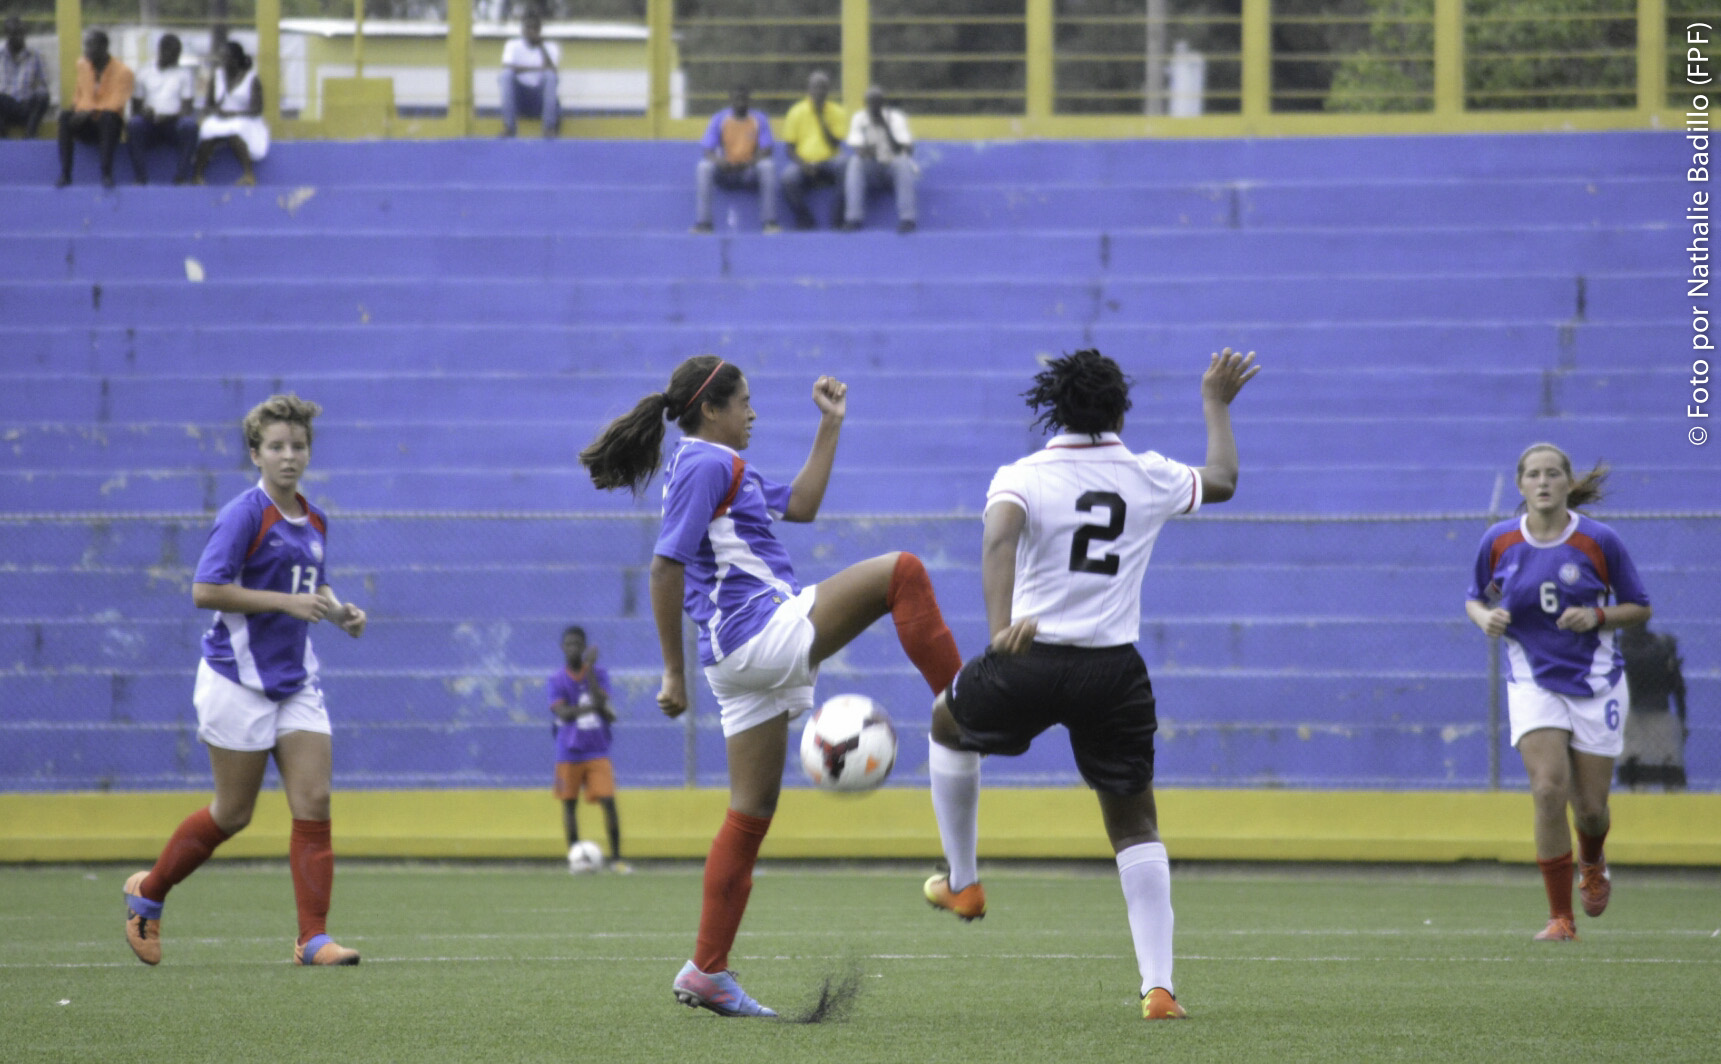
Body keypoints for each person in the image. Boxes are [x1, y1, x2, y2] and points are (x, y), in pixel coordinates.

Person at [579, 356, 964, 1018]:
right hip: (756, 630)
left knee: (750, 812)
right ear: (711, 410)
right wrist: (670, 671)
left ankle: (707, 969)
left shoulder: (722, 465)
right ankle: (966, 701)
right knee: (901, 573)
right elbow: (665, 568)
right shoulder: (707, 464)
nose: (753, 413)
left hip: (737, 656)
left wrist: (830, 424)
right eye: (744, 402)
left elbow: (803, 506)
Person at [923, 348, 1259, 1023]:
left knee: (945, 723)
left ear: (1054, 409)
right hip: (1112, 670)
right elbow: (1222, 479)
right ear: (1119, 411)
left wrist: (999, 630)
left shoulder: (1021, 475)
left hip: (1030, 656)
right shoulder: (1147, 473)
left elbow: (998, 539)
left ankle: (962, 881)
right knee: (1134, 824)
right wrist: (1215, 403)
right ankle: (1158, 988)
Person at [122, 394, 368, 967]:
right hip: (235, 679)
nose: (289, 456)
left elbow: (313, 585)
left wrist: (339, 612)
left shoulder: (315, 519)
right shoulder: (244, 514)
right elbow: (205, 590)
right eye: (276, 446)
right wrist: (286, 603)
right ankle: (148, 894)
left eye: (298, 446)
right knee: (233, 813)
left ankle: (313, 939)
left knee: (314, 800)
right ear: (255, 454)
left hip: (295, 680)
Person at [1465, 443, 1652, 942]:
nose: (1543, 482)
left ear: (1569, 483)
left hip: (1595, 682)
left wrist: (1596, 615)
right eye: (1533, 474)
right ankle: (1560, 918)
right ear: (1521, 484)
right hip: (1533, 679)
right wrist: (1486, 618)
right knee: (1548, 788)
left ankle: (1592, 859)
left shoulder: (1599, 540)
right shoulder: (1499, 540)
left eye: (1553, 474)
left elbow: (1639, 606)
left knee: (1589, 808)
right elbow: (1475, 598)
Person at [549, 625, 630, 873]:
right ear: (562, 648)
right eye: (569, 644)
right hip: (569, 750)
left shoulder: (599, 673)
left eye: (577, 644)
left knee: (608, 802)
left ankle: (616, 860)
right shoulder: (557, 679)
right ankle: (575, 858)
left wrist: (591, 669)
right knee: (569, 805)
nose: (573, 649)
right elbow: (563, 712)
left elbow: (601, 698)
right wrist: (595, 708)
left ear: (584, 647)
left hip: (597, 749)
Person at [693, 86, 779, 234]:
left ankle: (769, 222)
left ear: (749, 100)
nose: (741, 102)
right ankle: (704, 223)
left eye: (744, 98)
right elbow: (707, 150)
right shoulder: (719, 119)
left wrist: (749, 163)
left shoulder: (759, 119)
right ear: (731, 100)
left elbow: (767, 150)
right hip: (726, 172)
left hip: (749, 172)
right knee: (703, 167)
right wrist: (720, 162)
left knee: (767, 166)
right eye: (737, 99)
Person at [55, 29, 133, 188]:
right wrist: (77, 112)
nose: (88, 49)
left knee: (108, 118)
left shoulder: (124, 72)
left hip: (108, 125)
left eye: (92, 45)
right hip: (87, 122)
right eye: (87, 45)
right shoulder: (82, 65)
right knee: (65, 117)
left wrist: (89, 112)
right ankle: (65, 174)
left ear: (104, 47)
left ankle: (106, 174)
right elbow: (78, 96)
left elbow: (116, 104)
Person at [191, 40, 267, 186]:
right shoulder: (217, 76)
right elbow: (208, 106)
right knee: (207, 130)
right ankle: (197, 175)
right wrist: (218, 112)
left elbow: (257, 109)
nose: (222, 61)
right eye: (221, 57)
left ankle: (249, 174)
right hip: (222, 118)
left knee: (235, 130)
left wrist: (235, 114)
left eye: (225, 57)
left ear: (235, 60)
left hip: (246, 119)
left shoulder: (252, 79)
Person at [842, 85, 917, 233]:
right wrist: (871, 149)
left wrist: (886, 128)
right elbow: (859, 150)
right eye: (871, 102)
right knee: (855, 162)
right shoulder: (859, 118)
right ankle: (853, 218)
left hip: (892, 169)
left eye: (877, 102)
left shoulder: (896, 118)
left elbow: (907, 149)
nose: (874, 106)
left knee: (902, 162)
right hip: (872, 170)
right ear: (865, 104)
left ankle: (907, 219)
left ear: (883, 103)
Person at [778, 71, 848, 230]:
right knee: (788, 178)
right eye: (815, 88)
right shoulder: (796, 111)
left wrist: (821, 117)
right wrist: (804, 165)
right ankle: (805, 219)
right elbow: (789, 148)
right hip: (805, 163)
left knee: (846, 165)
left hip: (830, 161)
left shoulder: (837, 111)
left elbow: (835, 143)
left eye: (823, 88)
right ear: (808, 90)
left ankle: (838, 217)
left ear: (828, 90)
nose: (819, 92)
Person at [127, 33, 198, 185]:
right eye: (173, 52)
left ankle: (181, 177)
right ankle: (140, 178)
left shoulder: (185, 74)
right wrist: (145, 113)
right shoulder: (144, 72)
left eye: (178, 53)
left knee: (189, 126)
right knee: (134, 124)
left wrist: (170, 117)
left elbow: (187, 109)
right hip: (150, 123)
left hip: (173, 124)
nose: (176, 57)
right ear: (161, 50)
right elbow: (135, 108)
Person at [499, 11, 559, 138]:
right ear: (522, 29)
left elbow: (553, 71)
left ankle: (549, 128)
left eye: (534, 28)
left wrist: (541, 46)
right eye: (528, 27)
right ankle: (509, 127)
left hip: (539, 99)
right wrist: (538, 68)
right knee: (505, 75)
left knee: (550, 76)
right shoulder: (512, 45)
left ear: (539, 30)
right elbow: (508, 67)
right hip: (519, 98)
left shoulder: (550, 47)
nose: (531, 31)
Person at [0, 17, 50, 139]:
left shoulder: (36, 56)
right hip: (4, 105)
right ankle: (3, 137)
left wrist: (38, 89)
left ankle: (30, 133)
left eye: (22, 33)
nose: (19, 37)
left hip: (26, 104)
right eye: (15, 33)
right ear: (7, 34)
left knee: (43, 95)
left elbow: (43, 83)